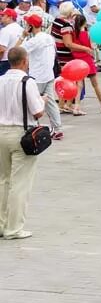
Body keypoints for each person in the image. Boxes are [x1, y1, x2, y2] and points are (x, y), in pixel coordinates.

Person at [0, 46, 45, 239]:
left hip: (1, 131)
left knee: (3, 180)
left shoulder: (0, 80)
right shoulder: (28, 82)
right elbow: (37, 111)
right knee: (20, 183)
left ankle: (1, 224)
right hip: (21, 134)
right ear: (25, 61)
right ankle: (14, 228)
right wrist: (43, 100)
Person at [20, 16, 59, 140]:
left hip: (37, 76)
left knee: (31, 102)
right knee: (51, 102)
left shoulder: (34, 41)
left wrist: (23, 36)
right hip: (48, 73)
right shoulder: (49, 38)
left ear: (30, 26)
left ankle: (32, 127)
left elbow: (16, 51)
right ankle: (57, 128)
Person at [66, 13, 101, 115]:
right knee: (95, 84)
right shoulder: (88, 34)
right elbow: (91, 47)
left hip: (77, 60)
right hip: (87, 60)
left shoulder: (73, 34)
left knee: (79, 84)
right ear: (84, 23)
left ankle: (76, 107)